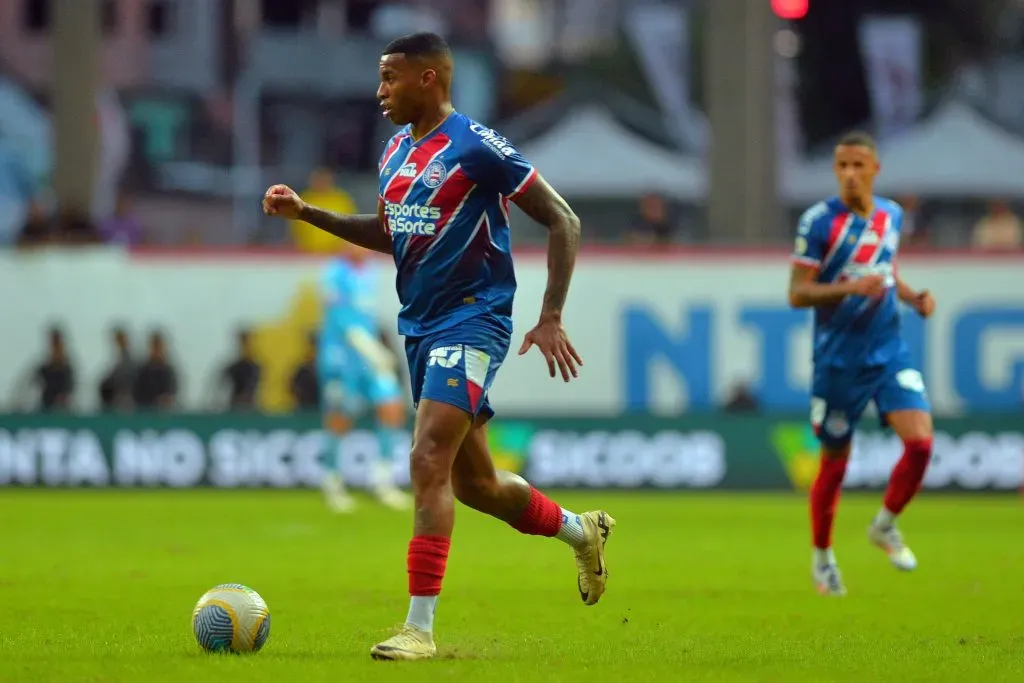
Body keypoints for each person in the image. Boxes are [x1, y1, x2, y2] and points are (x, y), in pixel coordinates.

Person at [262, 32, 614, 661]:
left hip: (474, 320)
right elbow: (390, 232)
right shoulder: (396, 150)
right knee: (475, 483)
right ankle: (579, 530)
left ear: (429, 78)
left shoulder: (477, 147)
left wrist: (551, 314)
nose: (379, 93)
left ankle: (418, 629)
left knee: (425, 459)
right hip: (421, 327)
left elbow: (564, 218)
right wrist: (309, 214)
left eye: (389, 79)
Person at [789, 131, 936, 597]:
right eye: (842, 166)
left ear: (875, 169)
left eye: (858, 165)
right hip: (838, 361)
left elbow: (885, 269)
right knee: (835, 464)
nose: (850, 174)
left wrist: (911, 297)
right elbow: (797, 293)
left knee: (921, 445)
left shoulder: (892, 214)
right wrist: (851, 289)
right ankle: (822, 559)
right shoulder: (818, 223)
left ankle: (885, 526)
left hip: (889, 351)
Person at [318, 242, 411, 513]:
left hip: (368, 356)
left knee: (391, 405)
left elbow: (366, 316)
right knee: (341, 415)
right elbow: (338, 317)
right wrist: (369, 347)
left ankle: (381, 480)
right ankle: (332, 480)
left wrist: (374, 348)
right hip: (341, 356)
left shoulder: (369, 271)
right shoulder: (334, 273)